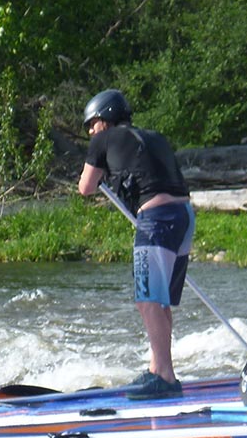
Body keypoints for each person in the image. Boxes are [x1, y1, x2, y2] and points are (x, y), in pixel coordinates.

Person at [77, 89, 194, 400]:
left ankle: (166, 377)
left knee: (147, 300)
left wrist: (100, 169)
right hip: (184, 216)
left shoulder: (102, 140)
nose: (91, 131)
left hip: (155, 219)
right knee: (162, 299)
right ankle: (158, 367)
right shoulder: (156, 136)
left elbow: (85, 187)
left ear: (106, 119)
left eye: (93, 124)